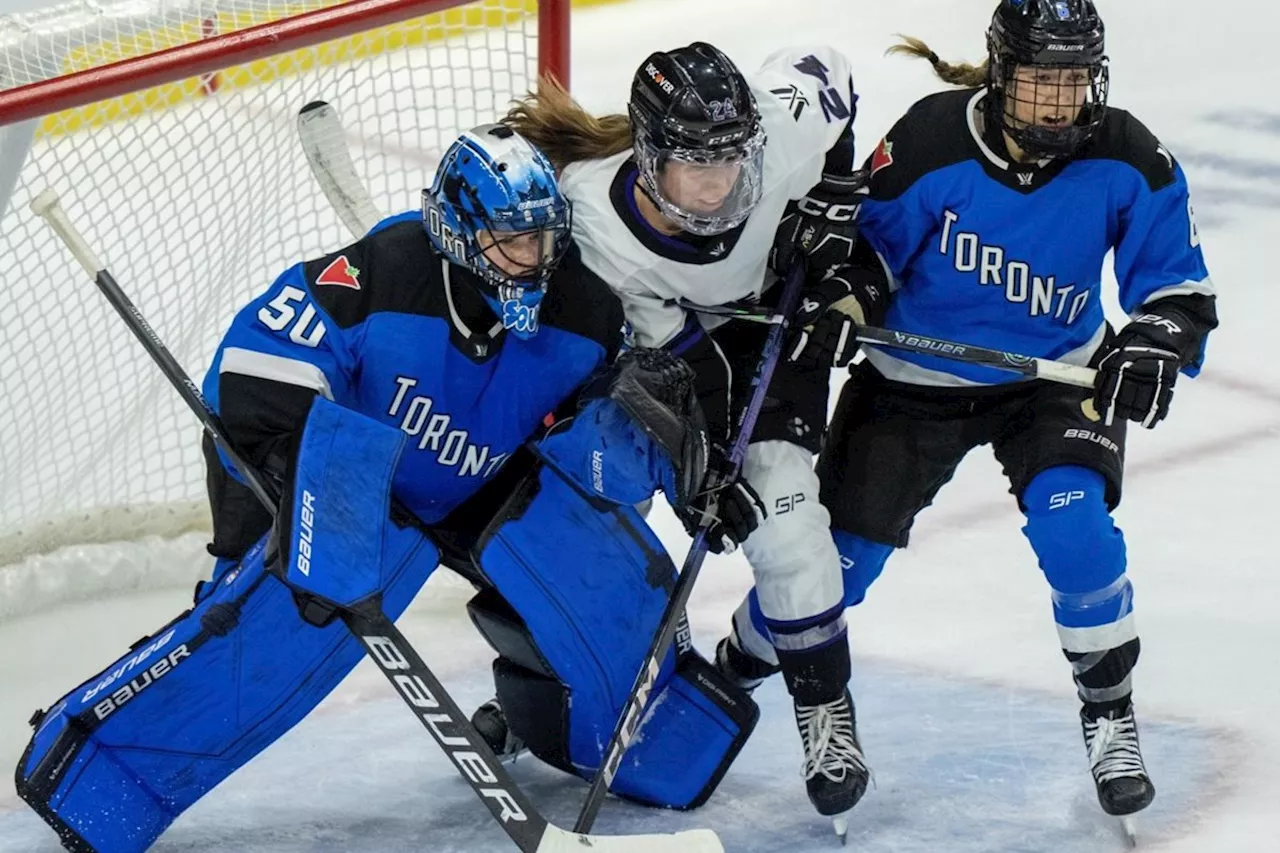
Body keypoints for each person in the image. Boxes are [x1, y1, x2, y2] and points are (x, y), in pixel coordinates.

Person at [15, 125, 759, 853]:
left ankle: (592, 730)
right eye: (513, 239)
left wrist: (679, 463)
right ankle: (95, 770)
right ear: (461, 233)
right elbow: (256, 363)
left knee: (612, 586)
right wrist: (302, 490)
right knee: (263, 625)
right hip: (353, 488)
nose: (535, 259)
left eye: (544, 237)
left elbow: (599, 443)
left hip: (483, 487)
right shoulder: (384, 269)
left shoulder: (586, 310)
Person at [809, 0, 1216, 826]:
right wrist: (846, 298)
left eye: (1075, 81)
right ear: (1000, 74)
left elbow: (1177, 288)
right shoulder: (930, 139)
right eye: (1040, 81)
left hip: (1055, 377)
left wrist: (1153, 341)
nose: (1059, 102)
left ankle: (1109, 713)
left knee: (1077, 527)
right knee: (835, 566)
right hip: (913, 378)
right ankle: (757, 671)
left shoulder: (1127, 156)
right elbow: (866, 251)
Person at [503, 42, 891, 826]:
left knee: (786, 521)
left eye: (730, 159)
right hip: (670, 361)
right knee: (591, 486)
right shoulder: (595, 225)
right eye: (695, 164)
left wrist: (833, 211)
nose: (719, 183)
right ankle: (576, 673)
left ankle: (827, 712)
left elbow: (833, 73)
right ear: (648, 157)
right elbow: (676, 360)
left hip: (771, 332)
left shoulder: (778, 128)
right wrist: (707, 468)